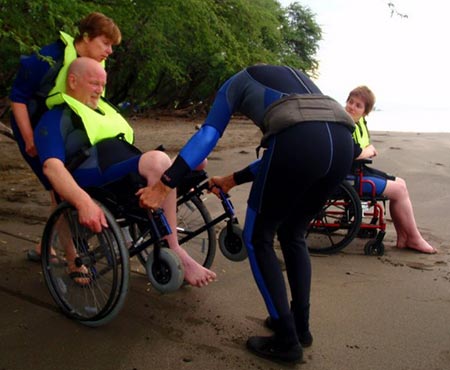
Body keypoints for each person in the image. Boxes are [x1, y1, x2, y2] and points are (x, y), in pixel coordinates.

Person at [137, 64, 355, 363]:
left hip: (302, 142)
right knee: (293, 234)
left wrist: (165, 184)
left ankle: (286, 339)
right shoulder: (296, 81)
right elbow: (296, 150)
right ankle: (300, 328)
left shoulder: (233, 84)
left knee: (257, 237)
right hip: (343, 145)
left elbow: (209, 135)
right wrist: (232, 180)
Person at [34, 57, 216, 287]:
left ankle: (167, 182)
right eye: (94, 84)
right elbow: (52, 167)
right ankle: (174, 247)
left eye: (103, 85)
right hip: (96, 180)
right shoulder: (55, 118)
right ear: (72, 81)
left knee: (197, 161)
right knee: (158, 160)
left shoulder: (103, 111)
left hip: (125, 170)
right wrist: (83, 202)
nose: (100, 91)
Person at [9, 12, 122, 261]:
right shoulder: (46, 59)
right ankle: (73, 260)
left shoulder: (93, 66)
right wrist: (29, 138)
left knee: (61, 188)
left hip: (65, 128)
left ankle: (43, 246)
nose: (110, 51)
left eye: (112, 45)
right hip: (36, 127)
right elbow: (17, 98)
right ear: (86, 37)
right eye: (105, 43)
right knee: (59, 191)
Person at [346, 85, 437, 254]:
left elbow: (361, 149)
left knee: (401, 183)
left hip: (357, 170)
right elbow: (356, 152)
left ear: (365, 112)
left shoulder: (358, 123)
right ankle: (414, 238)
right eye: (350, 102)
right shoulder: (346, 124)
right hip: (348, 176)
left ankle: (404, 236)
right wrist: (370, 150)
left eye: (358, 105)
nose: (351, 107)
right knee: (399, 190)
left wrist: (367, 150)